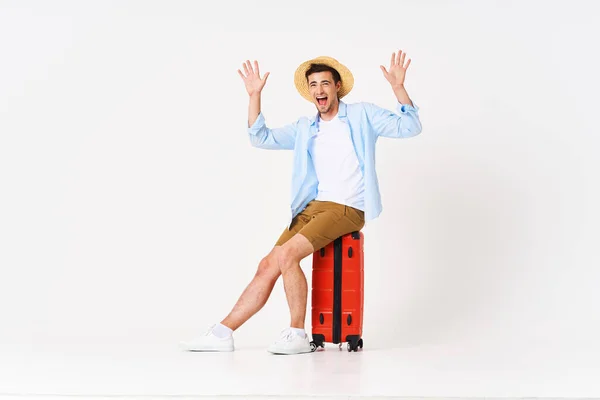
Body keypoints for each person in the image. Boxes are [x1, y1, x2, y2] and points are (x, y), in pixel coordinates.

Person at [180, 51, 422, 355]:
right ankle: (222, 333)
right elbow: (261, 138)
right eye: (313, 85)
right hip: (314, 207)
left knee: (288, 255)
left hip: (347, 207)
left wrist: (398, 88)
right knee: (268, 264)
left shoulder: (361, 114)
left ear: (337, 87)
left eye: (324, 83)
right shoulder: (307, 127)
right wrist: (254, 96)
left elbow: (410, 127)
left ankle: (297, 334)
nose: (319, 90)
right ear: (309, 92)